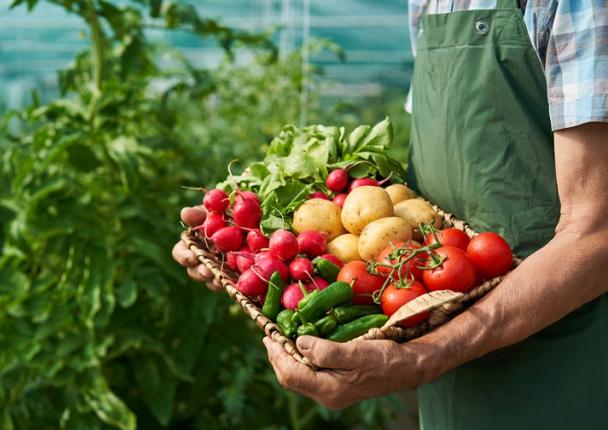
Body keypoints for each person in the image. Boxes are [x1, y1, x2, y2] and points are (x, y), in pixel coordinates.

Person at [172, 0, 608, 428]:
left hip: (560, 365)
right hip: (451, 360)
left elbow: (596, 236)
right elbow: (457, 163)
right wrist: (247, 250)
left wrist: (419, 360)